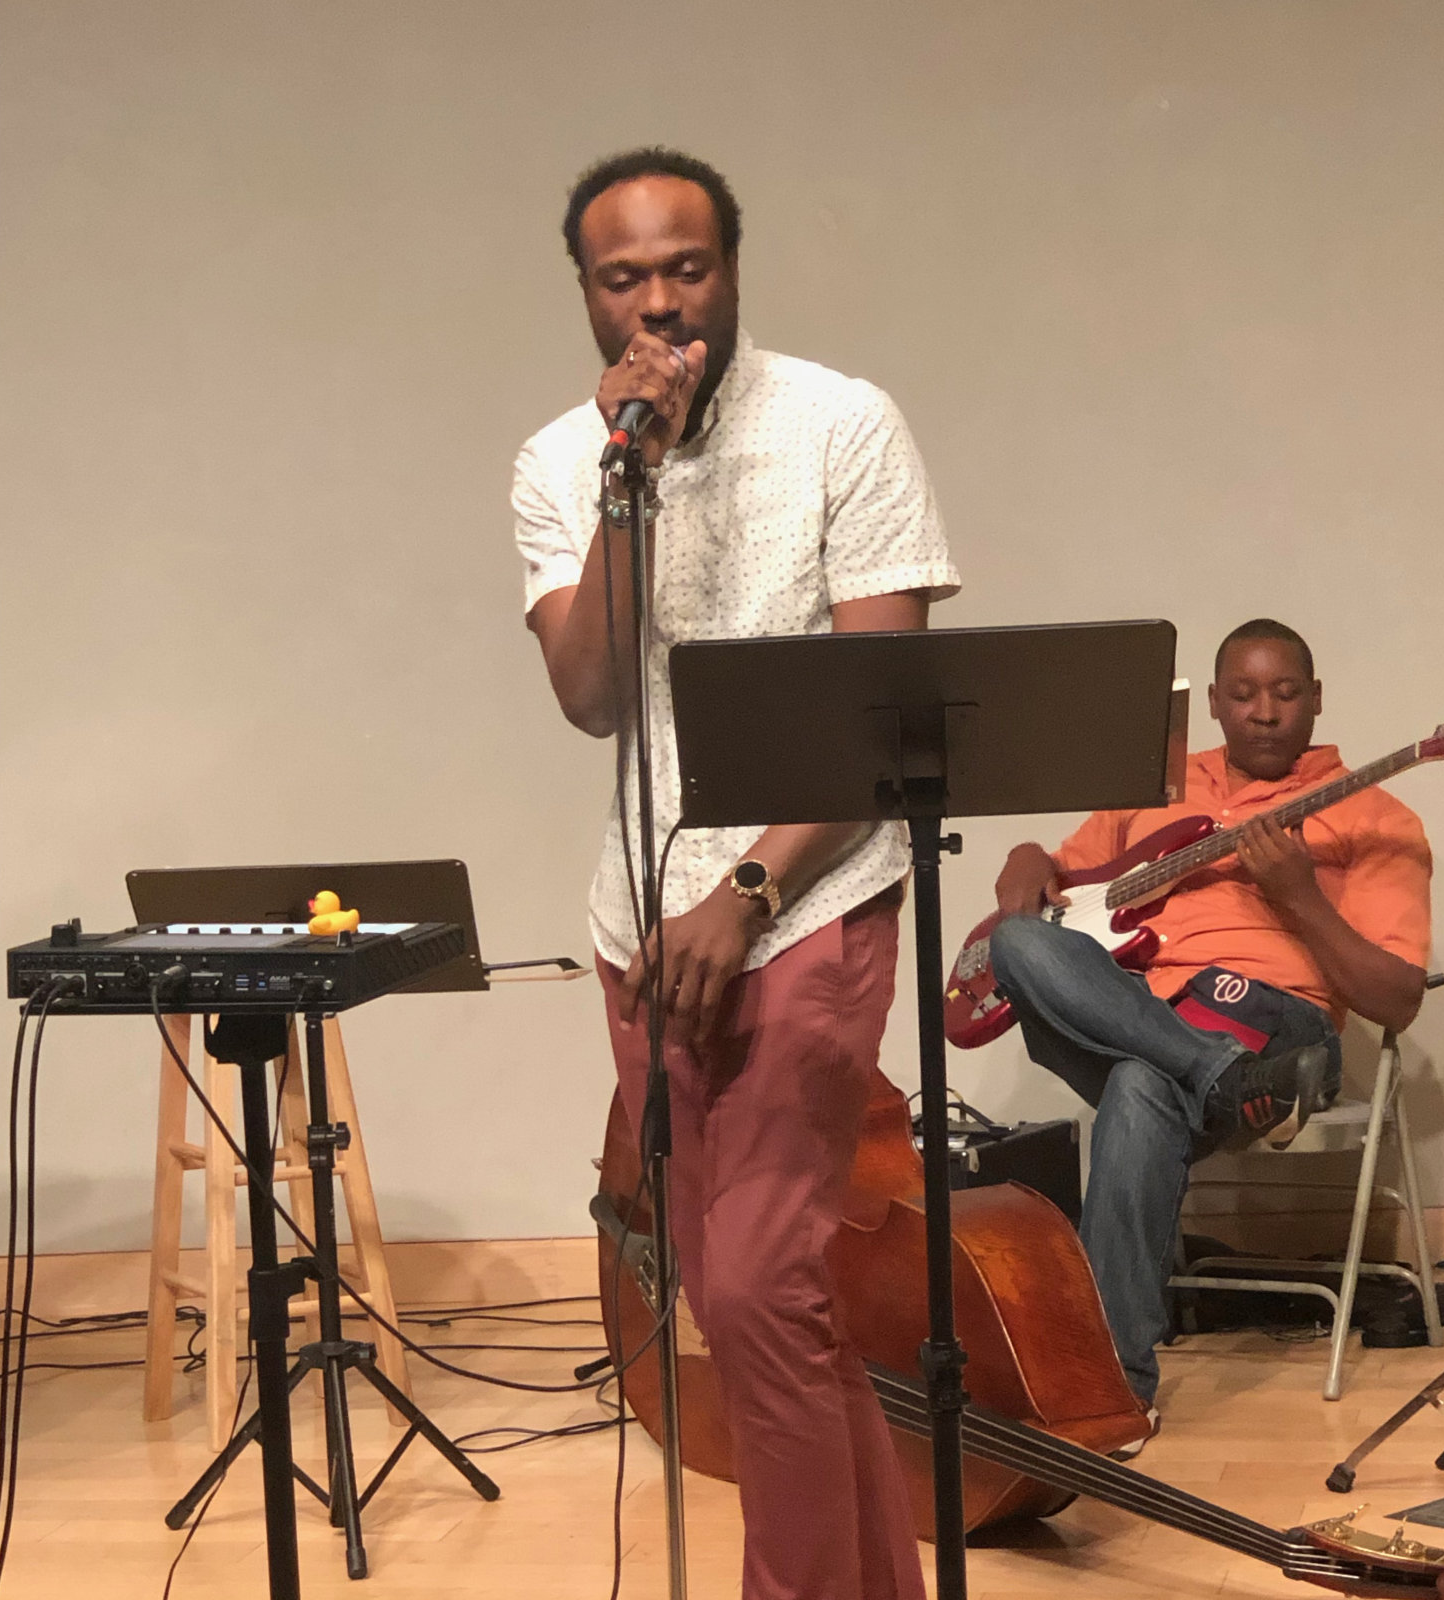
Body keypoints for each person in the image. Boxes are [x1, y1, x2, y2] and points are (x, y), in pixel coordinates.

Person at [512, 147, 959, 1600]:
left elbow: (878, 702)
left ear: (734, 265)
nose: (659, 301)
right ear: (586, 290)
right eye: (623, 276)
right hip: (639, 922)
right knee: (752, 1306)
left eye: (686, 267)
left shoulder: (842, 423)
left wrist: (749, 893)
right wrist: (622, 478)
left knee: (765, 1287)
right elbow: (587, 696)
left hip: (805, 895)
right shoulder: (558, 463)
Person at [987, 618, 1431, 1426]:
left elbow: (1396, 998)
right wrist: (1026, 857)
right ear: (1216, 705)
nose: (1265, 711)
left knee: (1138, 1087)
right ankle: (1216, 1073)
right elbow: (1070, 873)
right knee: (1020, 944)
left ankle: (1107, 1390)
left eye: (1286, 692)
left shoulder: (1374, 814)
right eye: (1244, 693)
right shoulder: (1154, 785)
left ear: (1317, 700)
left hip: (1280, 1027)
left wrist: (1297, 894)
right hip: (1175, 1031)